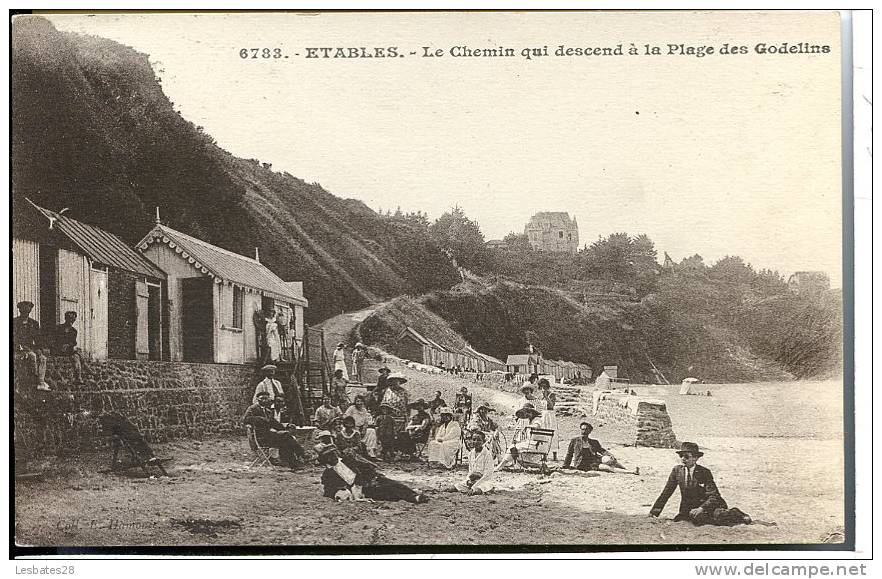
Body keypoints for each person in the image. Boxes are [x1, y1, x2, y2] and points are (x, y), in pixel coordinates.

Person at [649, 442, 753, 526]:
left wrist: (701, 508)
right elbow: (667, 492)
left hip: (710, 506)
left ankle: (736, 513)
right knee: (690, 519)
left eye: (686, 456)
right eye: (681, 456)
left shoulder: (704, 472)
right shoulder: (677, 471)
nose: (683, 459)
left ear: (695, 458)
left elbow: (714, 495)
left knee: (718, 517)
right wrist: (654, 512)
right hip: (688, 508)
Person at [315, 443, 429, 503]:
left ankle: (414, 494)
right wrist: (342, 489)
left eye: (333, 454)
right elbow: (328, 491)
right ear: (326, 460)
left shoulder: (347, 460)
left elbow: (367, 467)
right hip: (359, 490)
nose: (333, 457)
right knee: (387, 493)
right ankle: (414, 498)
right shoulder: (328, 474)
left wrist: (371, 477)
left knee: (392, 483)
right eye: (329, 456)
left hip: (368, 480)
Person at [243, 391, 306, 469]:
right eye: (262, 398)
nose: (265, 400)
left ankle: (293, 464)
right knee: (286, 436)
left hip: (269, 436)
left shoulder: (268, 411)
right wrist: (260, 419)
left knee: (286, 440)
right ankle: (302, 454)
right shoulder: (253, 408)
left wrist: (286, 426)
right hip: (260, 437)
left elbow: (275, 424)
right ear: (257, 399)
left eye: (267, 398)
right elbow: (245, 420)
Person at [563, 421, 639, 474]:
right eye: (582, 429)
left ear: (590, 431)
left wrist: (609, 454)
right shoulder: (575, 441)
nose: (584, 431)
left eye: (586, 429)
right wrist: (565, 466)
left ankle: (625, 469)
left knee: (609, 460)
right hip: (585, 464)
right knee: (607, 468)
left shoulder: (594, 442)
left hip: (595, 459)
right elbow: (569, 454)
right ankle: (631, 472)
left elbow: (601, 450)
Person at [13, 300, 49, 391]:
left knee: (42, 358)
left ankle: (41, 382)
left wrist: (40, 349)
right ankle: (34, 378)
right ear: (20, 310)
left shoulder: (34, 323)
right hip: (18, 348)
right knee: (32, 356)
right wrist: (19, 346)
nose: (26, 312)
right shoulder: (14, 322)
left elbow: (38, 339)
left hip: (30, 347)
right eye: (23, 310)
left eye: (28, 310)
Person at [496, 404, 543, 471]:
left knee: (512, 448)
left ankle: (500, 466)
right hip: (533, 443)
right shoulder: (529, 420)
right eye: (526, 413)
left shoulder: (537, 419)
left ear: (532, 413)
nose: (527, 414)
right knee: (514, 448)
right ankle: (508, 464)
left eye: (529, 412)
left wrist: (527, 426)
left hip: (536, 444)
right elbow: (516, 427)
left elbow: (537, 426)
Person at [453, 431, 495, 495]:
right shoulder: (470, 454)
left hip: (484, 481)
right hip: (473, 480)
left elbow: (488, 474)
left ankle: (479, 489)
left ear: (483, 441)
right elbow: (470, 471)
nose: (476, 442)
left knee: (477, 490)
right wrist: (468, 480)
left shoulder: (487, 454)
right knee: (454, 487)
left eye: (479, 440)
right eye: (474, 439)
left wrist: (477, 480)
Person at [52, 310, 87, 384]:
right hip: (57, 349)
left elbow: (73, 342)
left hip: (68, 350)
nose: (72, 321)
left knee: (76, 356)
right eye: (70, 319)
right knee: (77, 353)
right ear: (66, 319)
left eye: (73, 319)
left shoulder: (74, 331)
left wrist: (68, 345)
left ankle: (79, 377)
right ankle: (87, 368)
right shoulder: (58, 328)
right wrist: (60, 345)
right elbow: (53, 340)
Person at [536, 379, 559, 460]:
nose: (543, 389)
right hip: (543, 415)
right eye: (541, 387)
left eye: (545, 387)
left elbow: (552, 406)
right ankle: (544, 455)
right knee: (543, 434)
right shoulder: (539, 396)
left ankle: (554, 455)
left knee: (552, 433)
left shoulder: (552, 395)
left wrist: (546, 397)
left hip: (550, 415)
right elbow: (538, 406)